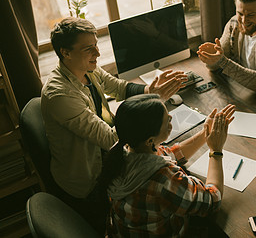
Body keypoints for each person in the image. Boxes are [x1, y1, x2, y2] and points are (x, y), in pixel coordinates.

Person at [41, 17, 187, 233]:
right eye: (89, 49)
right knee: (165, 190)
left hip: (109, 158)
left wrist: (149, 91)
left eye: (96, 45)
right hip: (90, 182)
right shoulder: (59, 95)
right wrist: (153, 107)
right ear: (66, 52)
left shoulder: (86, 68)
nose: (98, 54)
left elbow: (118, 87)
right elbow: (110, 138)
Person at [97, 94, 235, 236]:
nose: (171, 118)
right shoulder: (163, 180)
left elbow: (170, 154)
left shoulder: (124, 150)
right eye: (166, 120)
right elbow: (212, 201)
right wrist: (216, 150)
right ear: (150, 141)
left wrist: (205, 134)